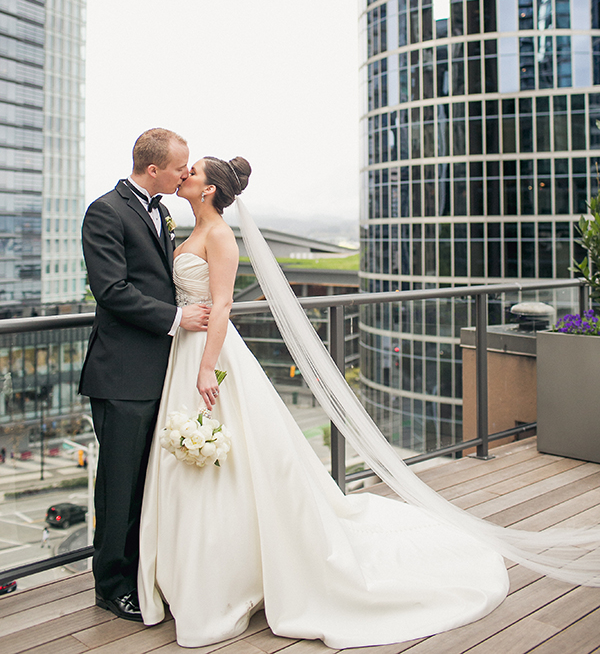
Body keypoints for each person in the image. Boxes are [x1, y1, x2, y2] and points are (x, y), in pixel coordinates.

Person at [138, 157, 511, 648]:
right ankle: (192, 570)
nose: (183, 175)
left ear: (208, 191)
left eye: (192, 173)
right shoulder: (188, 230)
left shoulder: (221, 237)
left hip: (212, 355)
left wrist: (209, 367)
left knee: (226, 452)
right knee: (203, 458)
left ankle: (232, 574)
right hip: (183, 351)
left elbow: (224, 305)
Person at [80, 128, 210, 622]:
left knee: (150, 482)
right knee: (119, 485)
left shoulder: (165, 212)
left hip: (163, 371)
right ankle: (112, 586)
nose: (185, 172)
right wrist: (177, 320)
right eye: (181, 166)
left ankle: (144, 574)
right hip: (122, 374)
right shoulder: (105, 211)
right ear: (154, 169)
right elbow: (110, 289)